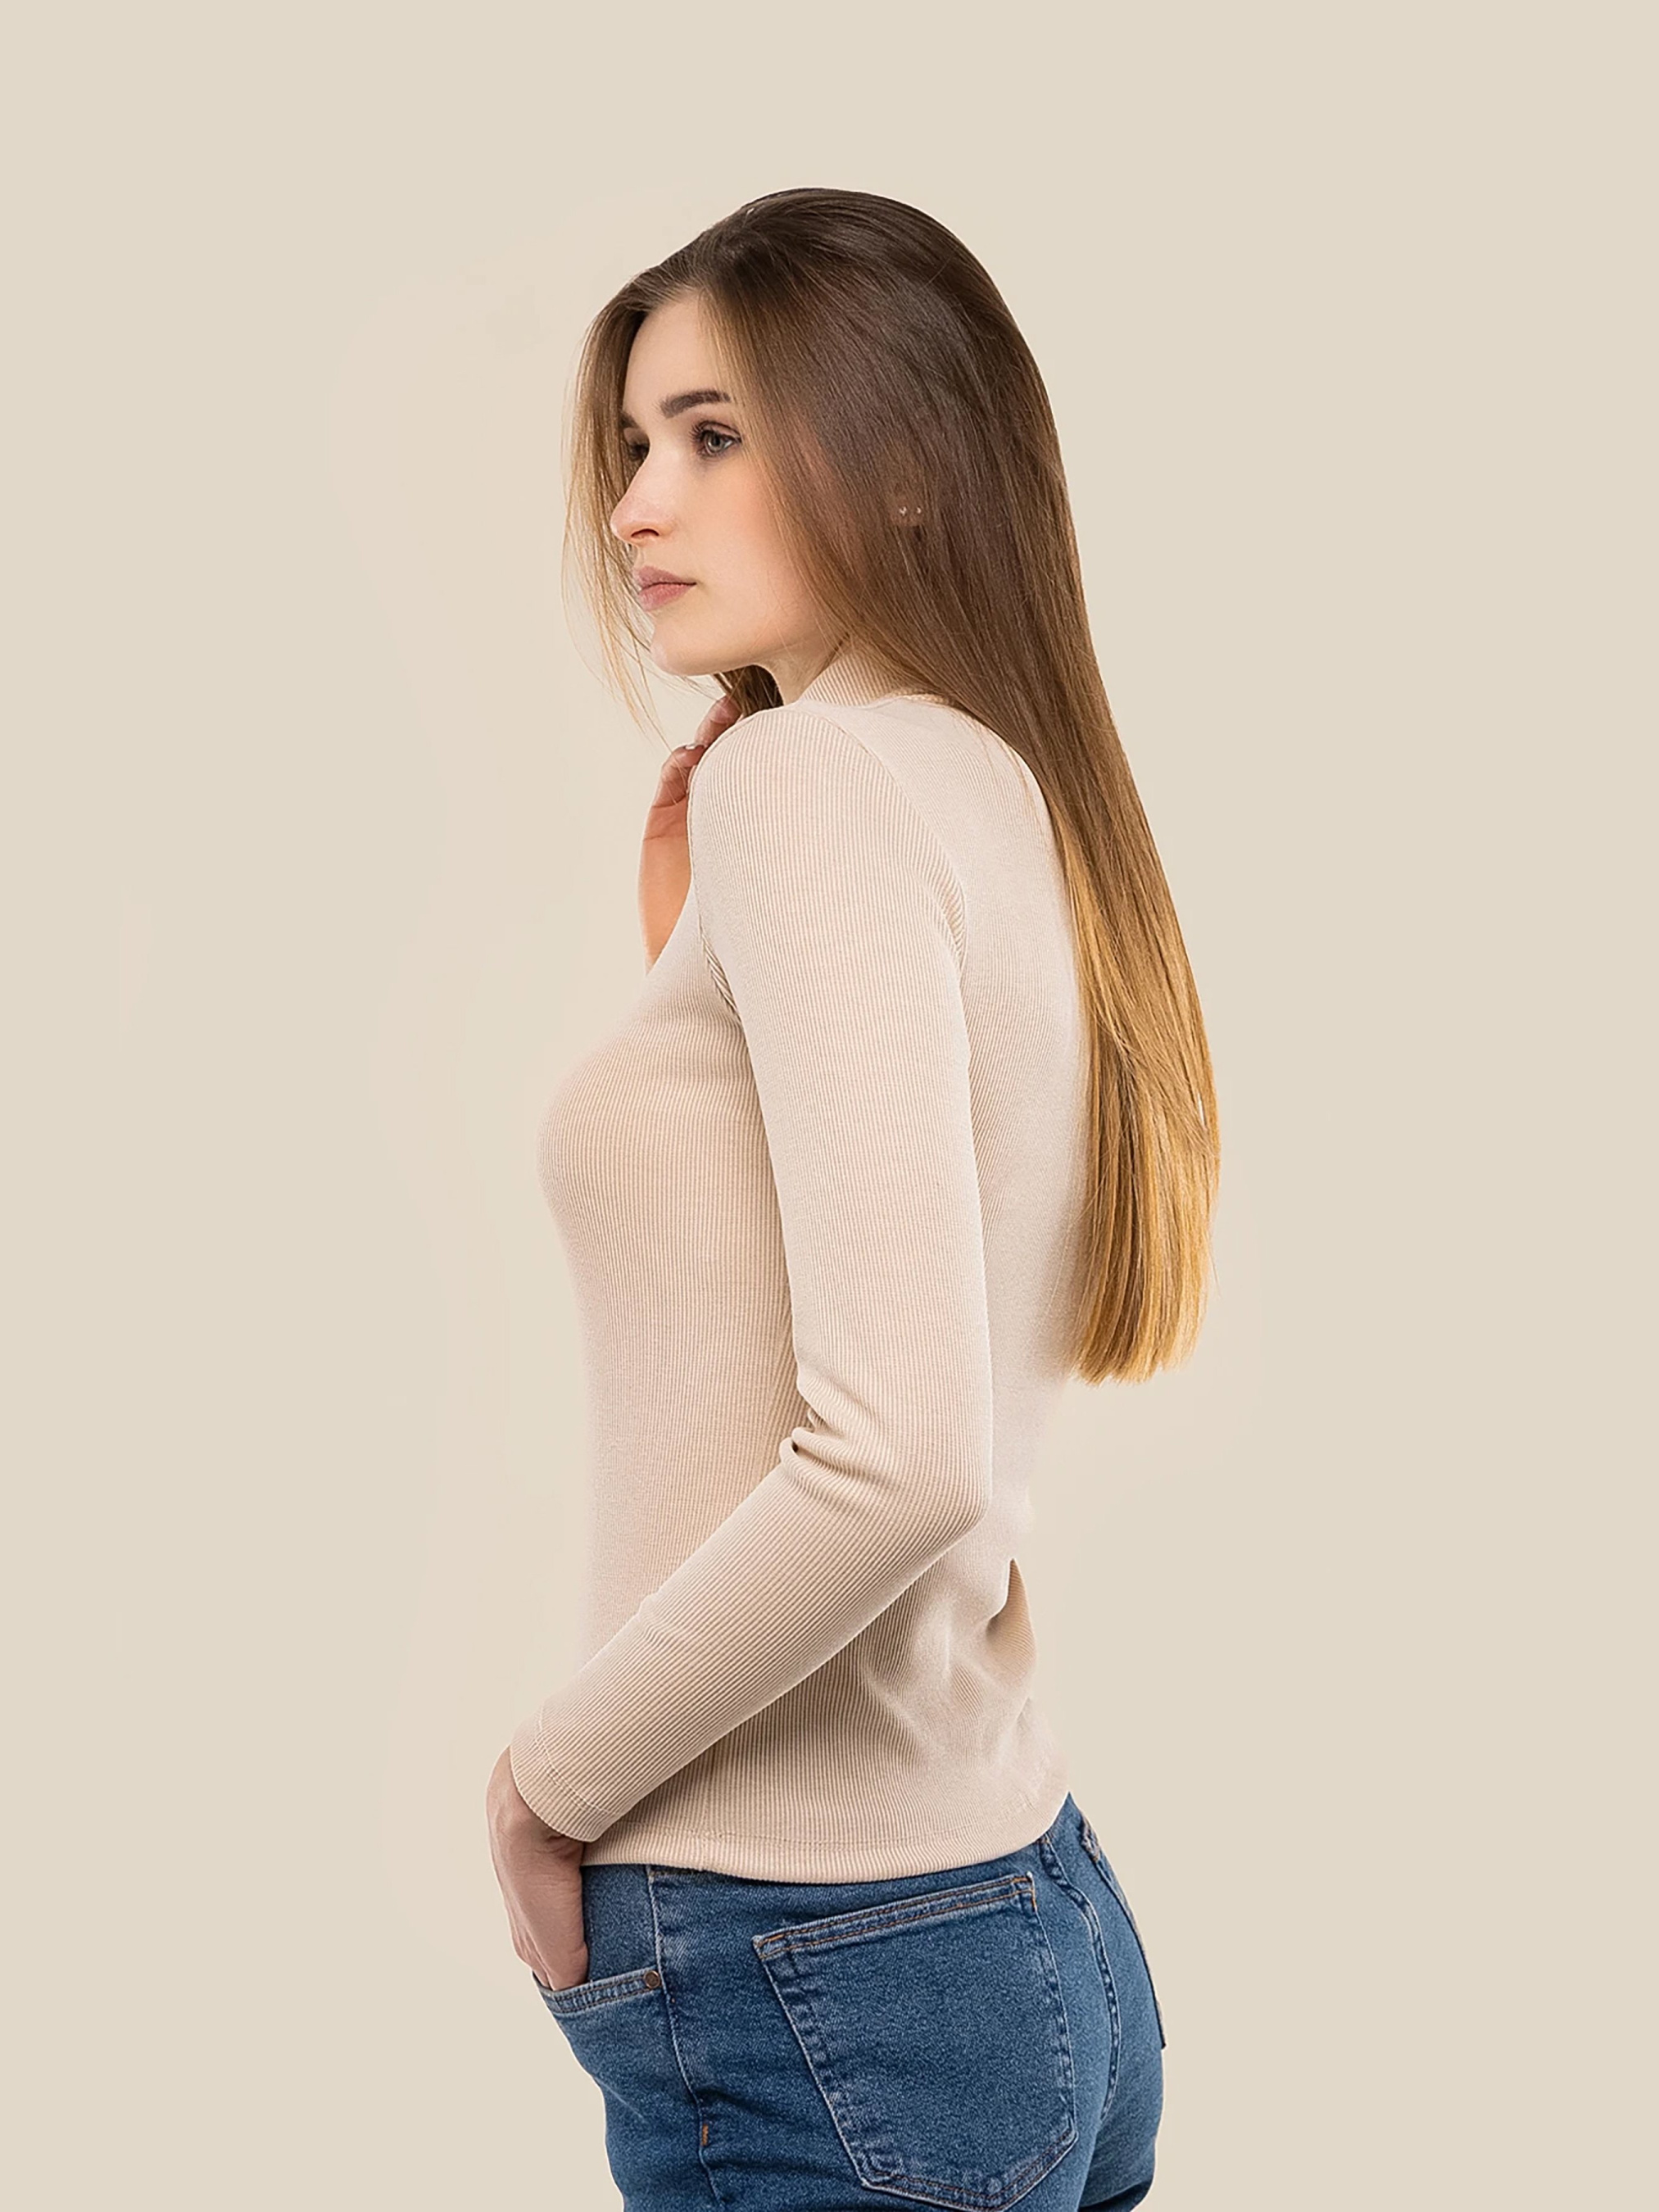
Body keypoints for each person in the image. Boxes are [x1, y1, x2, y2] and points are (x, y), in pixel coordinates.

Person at [484, 186, 1216, 2210]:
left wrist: (545, 1785)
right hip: (1023, 1915)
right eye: (634, 442)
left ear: (901, 462)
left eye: (712, 434)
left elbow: (898, 1455)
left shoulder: (800, 782)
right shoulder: (994, 779)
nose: (637, 501)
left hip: (810, 1958)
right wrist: (689, 970)